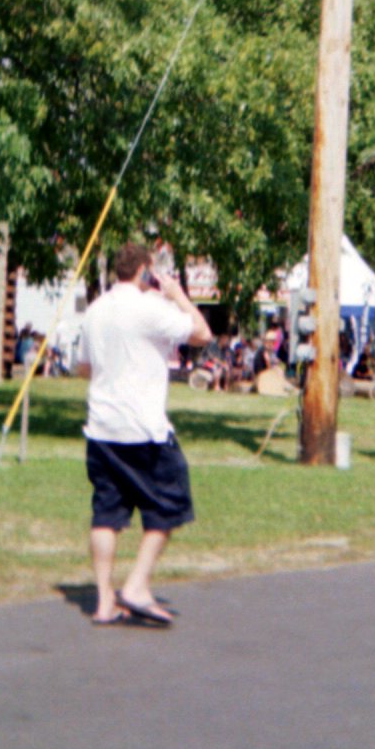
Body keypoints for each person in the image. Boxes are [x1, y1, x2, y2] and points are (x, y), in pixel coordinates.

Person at [76, 243, 212, 628]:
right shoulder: (151, 308)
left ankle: (104, 601)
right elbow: (202, 333)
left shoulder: (96, 310)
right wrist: (177, 295)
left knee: (107, 512)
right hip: (144, 430)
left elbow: (84, 368)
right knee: (170, 505)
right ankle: (136, 585)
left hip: (102, 427)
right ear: (144, 271)